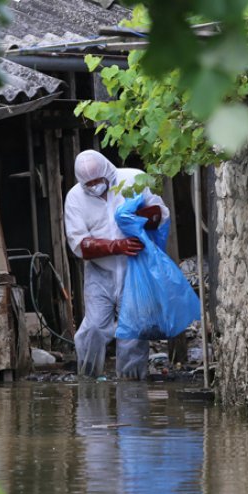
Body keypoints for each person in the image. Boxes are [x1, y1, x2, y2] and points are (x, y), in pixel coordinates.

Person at [64, 150, 169, 379]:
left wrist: (145, 228)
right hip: (100, 271)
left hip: (135, 268)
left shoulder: (132, 180)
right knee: (93, 328)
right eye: (88, 183)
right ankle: (88, 381)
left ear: (107, 172)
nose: (94, 186)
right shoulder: (75, 198)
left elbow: (160, 214)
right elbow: (78, 243)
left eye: (98, 181)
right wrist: (116, 246)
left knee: (132, 331)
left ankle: (131, 390)